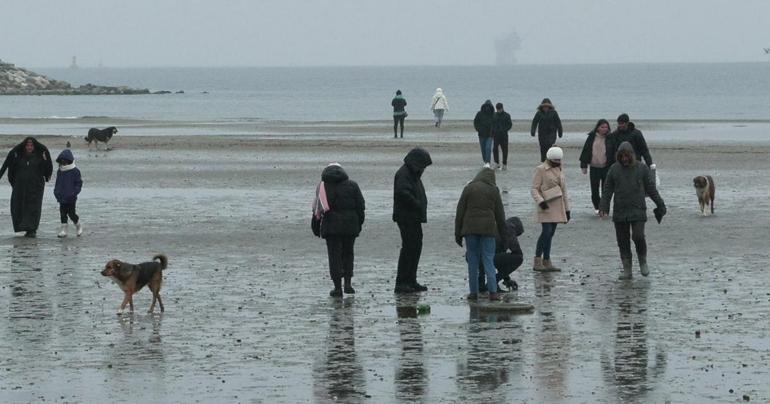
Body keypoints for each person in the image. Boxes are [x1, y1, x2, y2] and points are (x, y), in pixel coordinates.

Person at [599, 141, 666, 279]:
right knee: (622, 241)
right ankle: (627, 269)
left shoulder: (642, 168)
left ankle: (643, 261)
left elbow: (651, 189)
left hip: (638, 209)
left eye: (627, 156)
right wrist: (603, 206)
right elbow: (607, 190)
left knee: (638, 236)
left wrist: (660, 204)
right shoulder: (614, 169)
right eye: (621, 156)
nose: (624, 159)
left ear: (632, 155)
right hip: (620, 211)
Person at [455, 167, 507, 301]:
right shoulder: (494, 190)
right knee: (488, 259)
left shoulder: (469, 188)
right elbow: (500, 215)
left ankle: (473, 292)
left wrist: (458, 233)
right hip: (488, 230)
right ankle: (493, 292)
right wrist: (504, 235)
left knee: (472, 261)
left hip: (469, 230)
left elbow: (460, 212)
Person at [313, 163, 365, 297]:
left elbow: (318, 209)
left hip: (331, 227)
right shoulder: (353, 185)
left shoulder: (323, 186)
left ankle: (337, 288)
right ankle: (348, 284)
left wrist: (315, 226)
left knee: (334, 256)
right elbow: (361, 206)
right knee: (348, 254)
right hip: (350, 225)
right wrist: (359, 223)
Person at [393, 148, 433, 294]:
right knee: (409, 249)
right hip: (406, 217)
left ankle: (411, 280)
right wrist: (416, 203)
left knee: (415, 248)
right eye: (423, 165)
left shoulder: (413, 174)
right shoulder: (404, 174)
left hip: (413, 217)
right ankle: (402, 282)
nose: (423, 169)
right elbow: (402, 192)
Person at [0, 137, 53, 238]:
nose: (29, 147)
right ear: (24, 146)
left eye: (31, 146)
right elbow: (6, 166)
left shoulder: (40, 156)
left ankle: (32, 230)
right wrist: (13, 182)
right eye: (27, 145)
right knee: (18, 207)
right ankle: (23, 227)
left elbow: (47, 170)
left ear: (34, 146)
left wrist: (46, 162)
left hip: (36, 188)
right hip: (20, 187)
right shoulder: (17, 156)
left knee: (33, 208)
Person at [530, 146, 570, 271]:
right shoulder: (540, 169)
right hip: (546, 206)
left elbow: (564, 190)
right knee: (546, 232)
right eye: (555, 160)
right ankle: (537, 260)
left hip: (558, 205)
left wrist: (567, 209)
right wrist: (540, 201)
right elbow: (534, 188)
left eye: (559, 160)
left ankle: (546, 260)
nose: (558, 162)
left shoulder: (560, 169)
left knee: (550, 234)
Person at [477, 216, 524, 292]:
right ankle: (492, 283)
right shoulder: (509, 228)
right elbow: (516, 250)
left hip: (474, 257)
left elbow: (500, 259)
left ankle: (481, 286)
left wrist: (507, 279)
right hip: (487, 258)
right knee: (519, 258)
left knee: (492, 256)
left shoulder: (497, 226)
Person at [579, 119, 613, 214]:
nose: (604, 129)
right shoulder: (591, 137)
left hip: (607, 167)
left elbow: (614, 152)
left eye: (606, 127)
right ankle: (597, 207)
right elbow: (586, 150)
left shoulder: (611, 138)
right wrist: (583, 165)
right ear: (598, 128)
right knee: (594, 190)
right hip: (594, 167)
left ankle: (605, 209)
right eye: (602, 127)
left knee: (606, 190)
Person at [53, 148, 83, 238]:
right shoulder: (60, 171)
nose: (63, 163)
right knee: (62, 214)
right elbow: (57, 183)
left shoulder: (75, 171)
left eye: (65, 161)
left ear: (69, 160)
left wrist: (74, 192)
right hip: (61, 197)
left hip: (71, 197)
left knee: (72, 214)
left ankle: (78, 225)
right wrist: (56, 192)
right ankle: (63, 230)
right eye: (62, 161)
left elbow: (79, 183)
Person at [530, 98, 563, 162]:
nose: (545, 108)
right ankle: (543, 161)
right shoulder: (539, 113)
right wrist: (533, 131)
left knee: (550, 146)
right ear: (542, 107)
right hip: (542, 133)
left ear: (549, 107)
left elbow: (558, 123)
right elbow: (534, 122)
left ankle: (550, 160)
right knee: (543, 147)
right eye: (544, 106)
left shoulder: (554, 113)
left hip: (552, 133)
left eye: (547, 106)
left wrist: (560, 132)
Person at [473, 100, 495, 166]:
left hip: (490, 135)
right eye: (486, 106)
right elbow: (475, 122)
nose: (487, 108)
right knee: (483, 149)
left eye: (489, 106)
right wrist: (478, 129)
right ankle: (485, 161)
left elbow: (495, 123)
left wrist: (494, 131)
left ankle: (488, 162)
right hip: (481, 134)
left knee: (488, 148)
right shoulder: (479, 113)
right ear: (484, 106)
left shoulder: (493, 114)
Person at [491, 102, 513, 170]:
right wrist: (493, 132)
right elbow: (492, 125)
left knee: (505, 150)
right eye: (497, 109)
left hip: (504, 135)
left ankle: (504, 164)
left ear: (502, 108)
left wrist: (504, 130)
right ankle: (496, 163)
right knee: (495, 149)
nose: (499, 110)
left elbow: (510, 124)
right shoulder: (494, 115)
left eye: (500, 109)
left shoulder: (507, 115)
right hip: (496, 135)